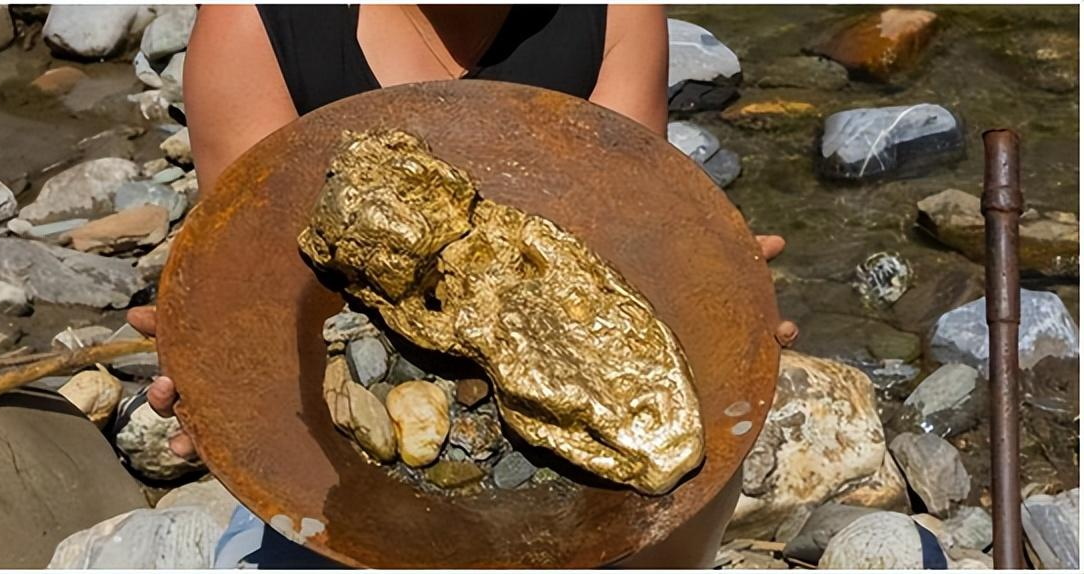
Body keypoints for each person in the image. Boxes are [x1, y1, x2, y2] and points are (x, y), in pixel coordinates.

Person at [124, 4, 796, 568]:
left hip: (582, 497)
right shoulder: (260, 23)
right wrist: (216, 382)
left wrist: (714, 289)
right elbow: (255, 280)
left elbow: (627, 232)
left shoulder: (612, 12)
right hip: (339, 481)